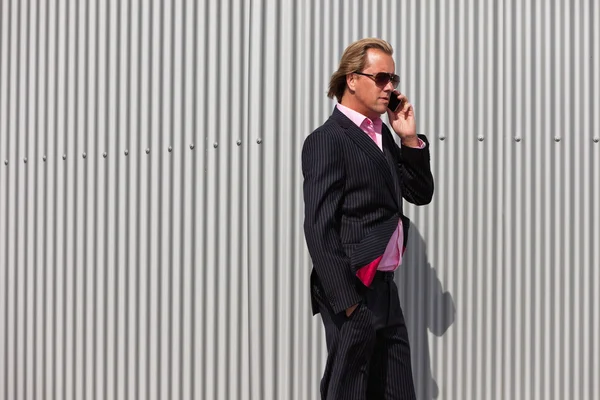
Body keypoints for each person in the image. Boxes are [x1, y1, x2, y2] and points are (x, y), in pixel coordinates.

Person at [301, 37, 434, 399]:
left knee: (397, 391)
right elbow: (318, 226)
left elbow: (419, 194)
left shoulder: (384, 138)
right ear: (352, 78)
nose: (390, 87)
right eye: (382, 78)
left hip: (385, 288)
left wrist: (408, 139)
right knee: (349, 391)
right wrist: (348, 302)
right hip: (353, 289)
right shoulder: (328, 139)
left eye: (394, 79)